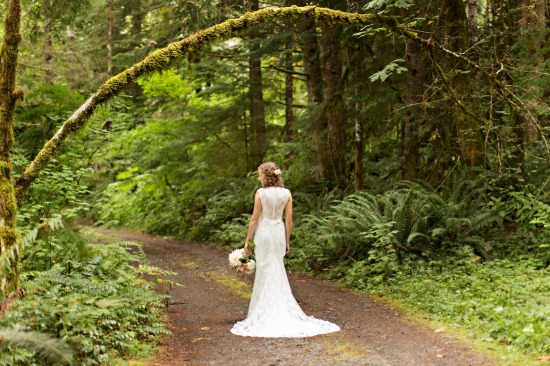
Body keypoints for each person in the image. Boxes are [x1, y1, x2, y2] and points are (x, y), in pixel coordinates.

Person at [231, 162, 340, 338]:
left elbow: (254, 219)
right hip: (279, 232)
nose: (259, 178)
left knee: (265, 270)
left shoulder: (260, 193)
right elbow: (289, 221)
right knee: (277, 268)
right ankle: (279, 308)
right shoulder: (286, 193)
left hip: (265, 233)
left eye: (260, 175)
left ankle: (263, 311)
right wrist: (287, 241)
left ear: (266, 176)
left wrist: (247, 240)